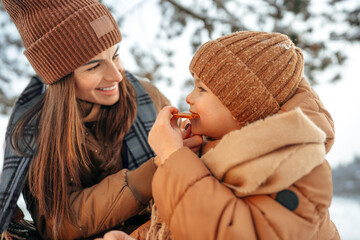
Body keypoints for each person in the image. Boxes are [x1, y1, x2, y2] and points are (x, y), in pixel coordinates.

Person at [0, 1, 201, 239]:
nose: (116, 75)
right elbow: (59, 223)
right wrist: (144, 179)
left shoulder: (145, 95)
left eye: (115, 56)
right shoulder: (36, 133)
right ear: (62, 80)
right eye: (94, 66)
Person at [142, 31, 340, 239]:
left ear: (244, 108)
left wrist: (173, 156)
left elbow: (231, 230)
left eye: (201, 89)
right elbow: (178, 222)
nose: (189, 97)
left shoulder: (296, 168)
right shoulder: (211, 151)